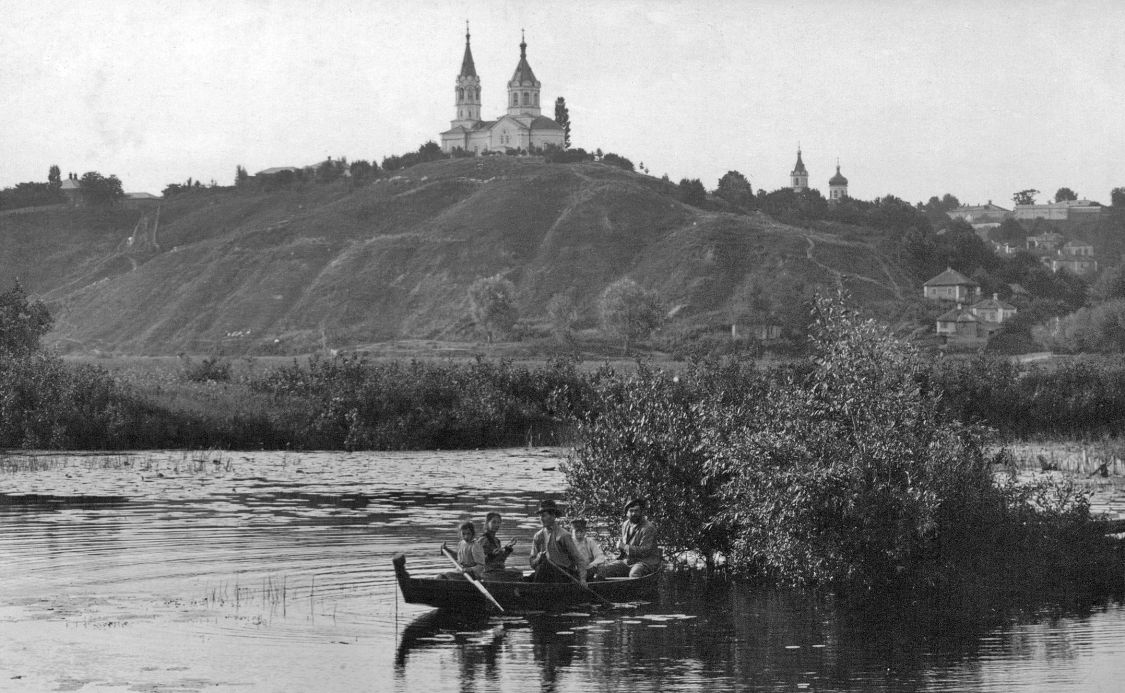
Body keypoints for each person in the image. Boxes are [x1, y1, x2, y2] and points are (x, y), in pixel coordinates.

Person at [528, 499, 588, 584]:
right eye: (540, 516)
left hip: (564, 575)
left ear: (553, 516)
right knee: (525, 577)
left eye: (544, 515)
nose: (541, 519)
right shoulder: (538, 536)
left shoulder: (563, 535)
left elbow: (579, 560)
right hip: (544, 575)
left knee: (543, 568)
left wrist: (582, 579)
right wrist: (538, 559)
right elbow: (532, 563)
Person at [600, 497, 661, 578]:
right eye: (631, 511)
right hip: (628, 561)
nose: (633, 514)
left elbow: (645, 551)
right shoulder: (625, 525)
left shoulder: (648, 528)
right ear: (627, 513)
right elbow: (625, 547)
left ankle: (633, 590)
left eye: (636, 511)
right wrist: (619, 553)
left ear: (641, 512)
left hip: (645, 562)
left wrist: (624, 547)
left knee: (634, 574)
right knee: (604, 569)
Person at [473, 511, 523, 580]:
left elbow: (500, 560)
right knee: (517, 574)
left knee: (517, 572)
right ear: (487, 523)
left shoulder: (497, 541)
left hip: (497, 571)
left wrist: (508, 548)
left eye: (498, 522)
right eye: (494, 522)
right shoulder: (483, 540)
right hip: (487, 573)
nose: (496, 525)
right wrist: (491, 555)